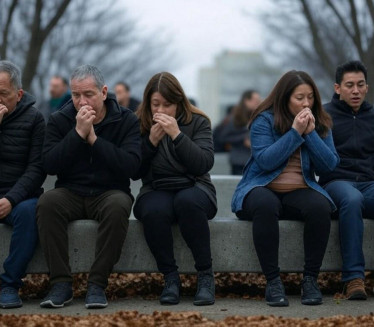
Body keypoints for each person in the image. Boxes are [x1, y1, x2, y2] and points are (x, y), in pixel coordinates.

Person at [36, 65, 141, 309]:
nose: (81, 102)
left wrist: (94, 139)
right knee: (47, 203)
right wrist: (77, 134)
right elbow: (49, 164)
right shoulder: (60, 119)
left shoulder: (125, 120)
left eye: (89, 94)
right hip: (70, 191)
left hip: (110, 192)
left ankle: (97, 284)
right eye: (75, 95)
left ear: (104, 92)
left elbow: (132, 167)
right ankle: (61, 284)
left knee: (118, 206)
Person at [231, 70, 339, 307]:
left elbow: (330, 164)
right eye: (299, 98)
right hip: (261, 186)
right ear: (284, 97)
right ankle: (273, 281)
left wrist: (310, 134)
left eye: (310, 97)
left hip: (300, 189)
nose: (306, 103)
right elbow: (266, 161)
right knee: (265, 204)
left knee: (320, 207)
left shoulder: (319, 121)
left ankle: (310, 280)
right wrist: (295, 133)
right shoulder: (264, 120)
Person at [134, 72, 217, 306]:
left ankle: (205, 276)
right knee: (154, 210)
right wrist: (150, 142)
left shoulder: (198, 122)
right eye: (155, 104)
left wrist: (177, 135)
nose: (161, 110)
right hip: (156, 188)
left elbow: (203, 163)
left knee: (186, 202)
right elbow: (133, 171)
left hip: (195, 187)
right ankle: (170, 278)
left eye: (168, 104)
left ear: (179, 102)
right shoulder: (139, 122)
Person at [319, 60, 374, 300]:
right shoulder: (324, 115)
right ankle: (354, 279)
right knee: (352, 200)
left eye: (360, 85)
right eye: (349, 85)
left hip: (369, 183)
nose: (355, 90)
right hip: (336, 183)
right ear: (337, 88)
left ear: (367, 87)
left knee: (358, 197)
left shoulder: (372, 116)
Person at [0, 60, 46, 308]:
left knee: (29, 213)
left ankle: (9, 284)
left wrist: (11, 199)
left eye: (3, 94)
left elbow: (37, 169)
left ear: (18, 94)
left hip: (19, 196)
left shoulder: (35, 119)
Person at [221, 90, 261, 174]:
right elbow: (224, 137)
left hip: (256, 161)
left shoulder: (259, 117)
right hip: (239, 161)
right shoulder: (235, 118)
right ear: (246, 101)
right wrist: (244, 139)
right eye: (255, 101)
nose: (258, 103)